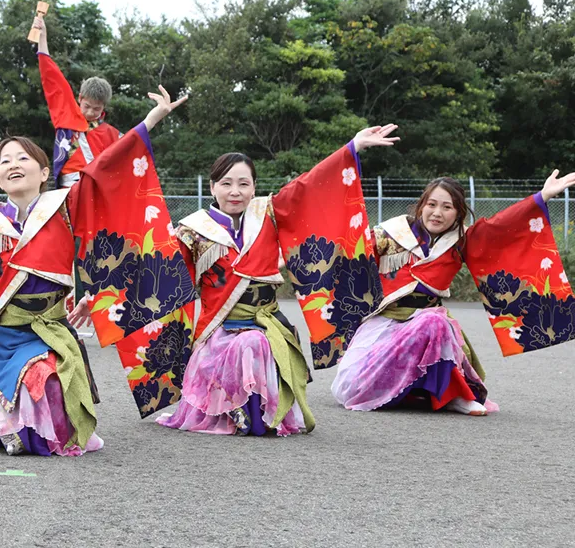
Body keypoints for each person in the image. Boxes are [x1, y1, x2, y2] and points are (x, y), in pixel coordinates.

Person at [0, 86, 189, 454]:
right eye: (5, 161)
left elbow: (106, 170)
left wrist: (151, 120)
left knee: (46, 379)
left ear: (44, 172)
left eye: (22, 158)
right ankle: (6, 426)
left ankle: (16, 428)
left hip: (46, 333)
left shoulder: (64, 208)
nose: (13, 164)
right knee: (16, 393)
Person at [72, 117, 398, 435]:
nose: (235, 191)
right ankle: (243, 412)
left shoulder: (268, 213)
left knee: (256, 341)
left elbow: (310, 185)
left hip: (266, 323)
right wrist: (99, 299)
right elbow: (153, 270)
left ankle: (257, 412)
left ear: (254, 187)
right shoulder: (193, 230)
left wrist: (353, 147)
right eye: (226, 183)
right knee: (250, 343)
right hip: (218, 329)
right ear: (212, 187)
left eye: (244, 184)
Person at [331, 172, 575, 415]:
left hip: (431, 324)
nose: (437, 213)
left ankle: (452, 396)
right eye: (432, 204)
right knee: (355, 388)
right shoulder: (391, 233)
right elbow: (351, 254)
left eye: (447, 207)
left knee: (434, 321)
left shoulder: (462, 240)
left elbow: (502, 227)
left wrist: (542, 197)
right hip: (384, 324)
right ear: (421, 206)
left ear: (458, 213)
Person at [32, 15, 120, 188]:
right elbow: (51, 77)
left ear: (104, 107)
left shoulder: (111, 134)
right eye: (87, 106)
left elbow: (133, 149)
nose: (90, 112)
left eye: (96, 109)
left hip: (99, 190)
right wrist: (42, 37)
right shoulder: (66, 112)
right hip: (70, 188)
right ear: (80, 98)